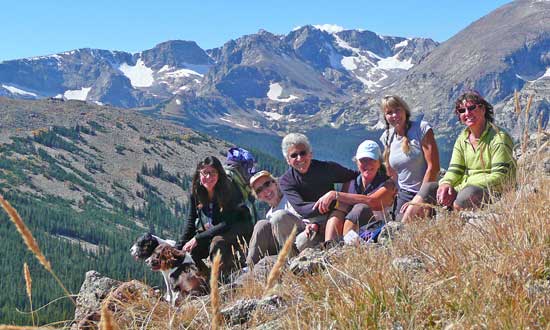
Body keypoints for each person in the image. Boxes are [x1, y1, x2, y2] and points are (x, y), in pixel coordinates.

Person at [421, 91, 515, 210]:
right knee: (428, 189)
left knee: (465, 196)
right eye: (462, 111)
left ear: (483, 109)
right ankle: (403, 226)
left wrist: (461, 187)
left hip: (494, 192)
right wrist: (446, 183)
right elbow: (455, 171)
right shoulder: (462, 139)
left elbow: (499, 176)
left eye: (471, 108)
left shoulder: (499, 138)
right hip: (465, 188)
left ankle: (453, 223)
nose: (467, 113)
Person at [176, 156, 253, 277]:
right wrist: (178, 247)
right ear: (199, 174)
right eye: (205, 172)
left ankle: (222, 279)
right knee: (193, 251)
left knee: (217, 242)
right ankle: (206, 278)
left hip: (240, 226)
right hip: (218, 227)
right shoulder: (197, 193)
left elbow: (227, 222)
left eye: (213, 172)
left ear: (219, 174)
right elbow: (191, 221)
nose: (209, 177)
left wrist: (197, 238)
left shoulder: (229, 189)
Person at [278, 133, 358, 249]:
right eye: (294, 155)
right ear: (288, 160)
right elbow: (301, 208)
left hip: (331, 216)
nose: (299, 158)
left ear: (310, 154)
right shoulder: (286, 181)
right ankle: (290, 259)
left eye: (303, 153)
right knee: (278, 217)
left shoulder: (326, 168)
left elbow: (354, 176)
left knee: (303, 242)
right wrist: (333, 203)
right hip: (307, 219)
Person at [313, 140, 396, 236]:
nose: (368, 164)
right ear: (357, 162)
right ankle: (330, 246)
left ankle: (347, 247)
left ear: (379, 163)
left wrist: (335, 194)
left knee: (360, 208)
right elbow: (342, 206)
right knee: (338, 212)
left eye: (372, 160)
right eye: (363, 160)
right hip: (354, 230)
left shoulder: (387, 185)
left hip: (378, 232)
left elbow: (373, 202)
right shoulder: (351, 184)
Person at [380, 95, 440, 222]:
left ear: (405, 110)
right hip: (404, 194)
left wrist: (419, 198)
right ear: (385, 117)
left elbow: (433, 167)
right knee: (398, 227)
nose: (394, 115)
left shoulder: (421, 129)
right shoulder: (387, 137)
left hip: (427, 190)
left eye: (397, 110)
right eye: (389, 112)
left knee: (405, 226)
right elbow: (391, 171)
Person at [246, 170, 305, 266]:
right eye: (259, 190)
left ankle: (293, 262)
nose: (265, 191)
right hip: (282, 249)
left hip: (300, 242)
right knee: (261, 224)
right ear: (258, 197)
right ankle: (250, 267)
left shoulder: (290, 198)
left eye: (267, 184)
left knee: (278, 217)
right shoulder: (269, 215)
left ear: (275, 183)